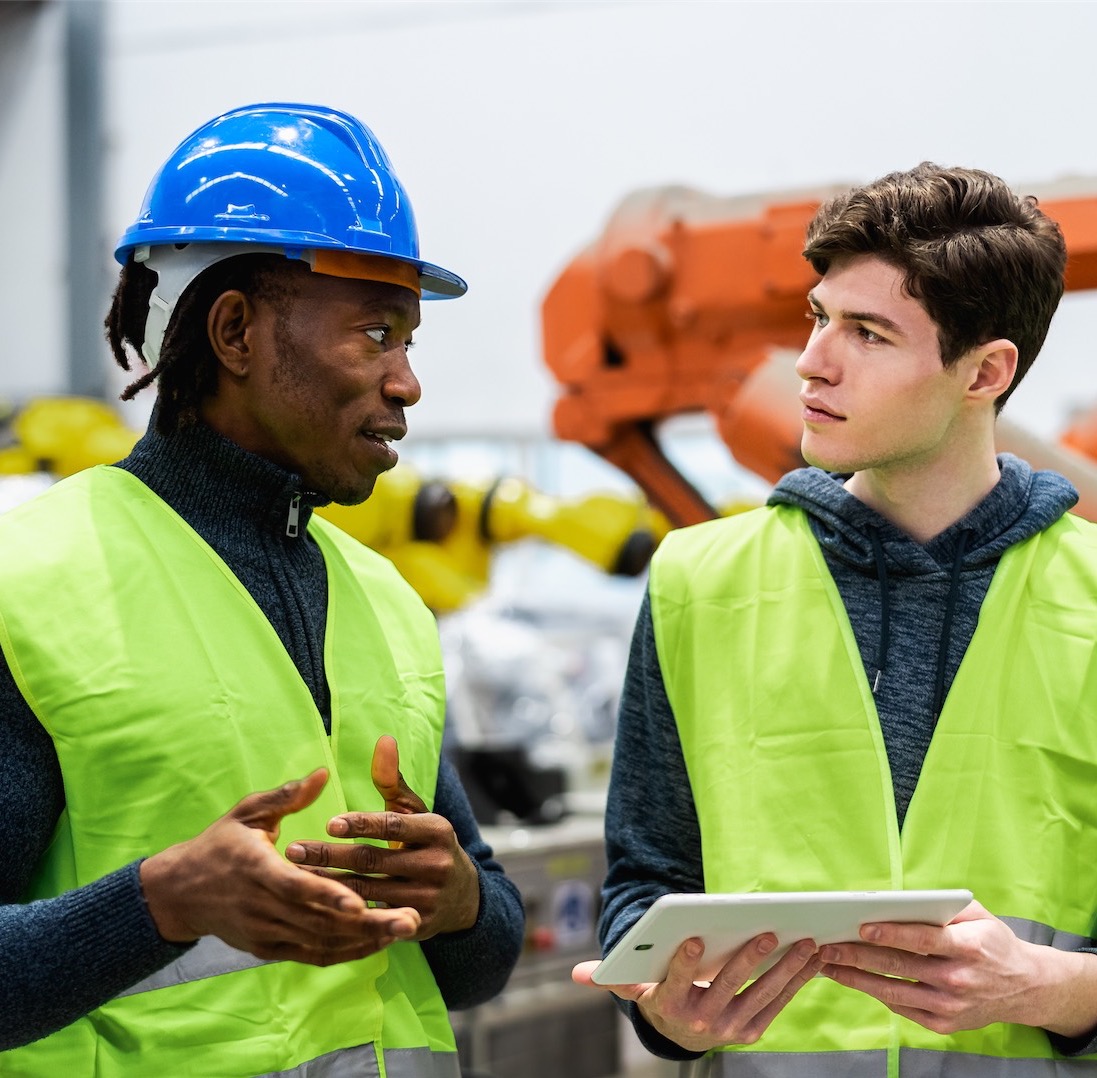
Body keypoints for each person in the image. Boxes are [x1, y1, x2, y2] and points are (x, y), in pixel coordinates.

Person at [0, 102, 523, 1075]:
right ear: (235, 330)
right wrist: (158, 901)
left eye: (409, 339)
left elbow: (479, 957)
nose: (406, 381)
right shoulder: (29, 587)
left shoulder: (388, 603)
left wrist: (459, 902)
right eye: (374, 333)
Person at [572, 163, 1097, 1074]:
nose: (811, 360)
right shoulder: (698, 581)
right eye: (818, 318)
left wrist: (1047, 988)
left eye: (868, 332)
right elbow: (646, 877)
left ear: (986, 371)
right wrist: (671, 1018)